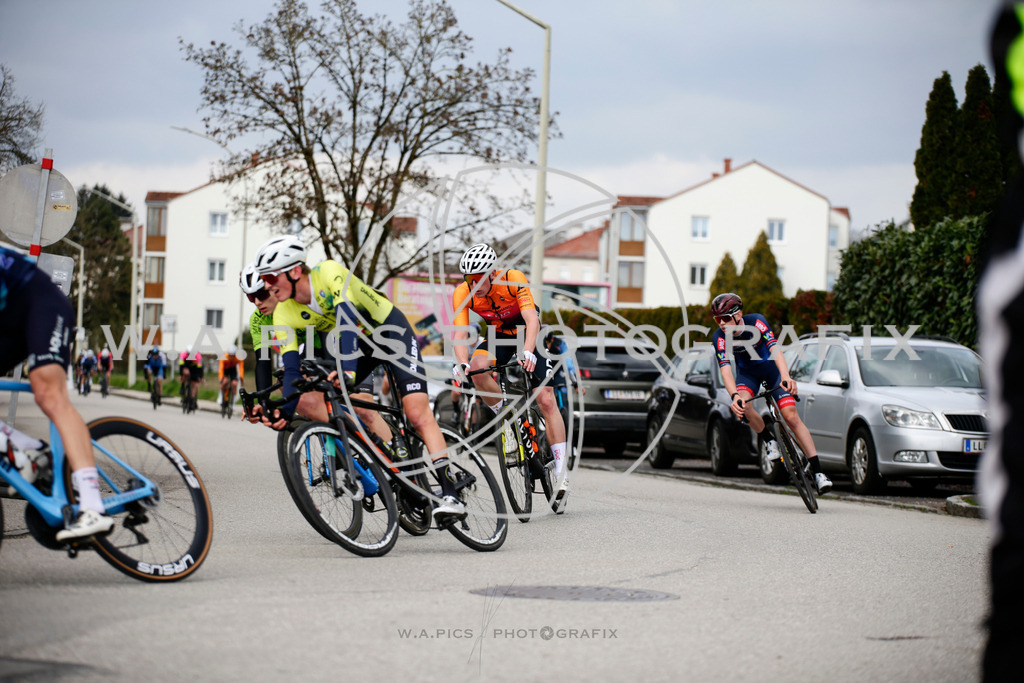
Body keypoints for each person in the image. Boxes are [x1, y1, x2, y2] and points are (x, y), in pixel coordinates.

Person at [250, 237, 464, 517]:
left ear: (294, 271)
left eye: (270, 277)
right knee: (328, 398)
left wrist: (348, 372)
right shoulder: (283, 313)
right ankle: (383, 459)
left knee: (416, 412)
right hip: (360, 347)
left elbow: (347, 322)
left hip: (390, 332)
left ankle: (450, 494)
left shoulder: (327, 272)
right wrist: (283, 410)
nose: (267, 287)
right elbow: (291, 371)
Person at [0, 245, 114, 540]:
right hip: (9, 322)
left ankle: (93, 507)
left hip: (41, 304)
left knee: (48, 393)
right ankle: (30, 450)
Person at [451, 243, 571, 509]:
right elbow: (460, 332)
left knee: (546, 398)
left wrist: (528, 351)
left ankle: (562, 469)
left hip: (529, 333)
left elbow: (531, 319)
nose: (474, 284)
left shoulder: (512, 279)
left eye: (480, 278)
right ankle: (508, 420)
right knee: (478, 370)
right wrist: (461, 363)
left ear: (493, 273)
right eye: (470, 279)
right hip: (498, 336)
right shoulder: (462, 292)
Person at [709, 292, 832, 494]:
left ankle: (819, 473)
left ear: (738, 315)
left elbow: (775, 350)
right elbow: (726, 370)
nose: (721, 323)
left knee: (791, 417)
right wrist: (734, 396)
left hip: (772, 371)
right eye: (717, 319)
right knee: (743, 406)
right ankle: (769, 440)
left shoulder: (757, 321)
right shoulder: (719, 337)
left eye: (725, 318)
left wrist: (786, 376)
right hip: (748, 375)